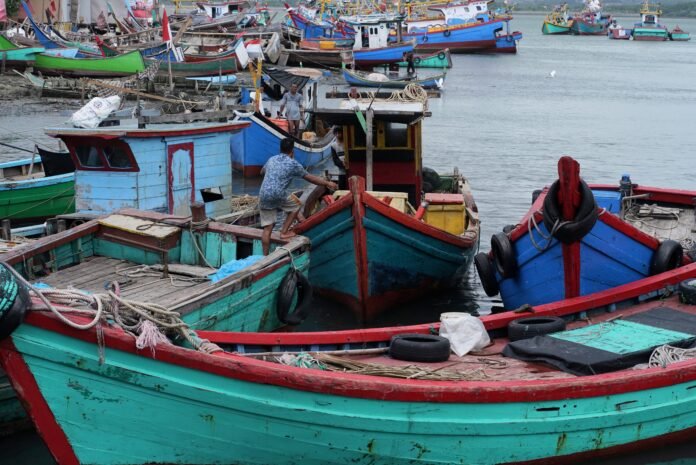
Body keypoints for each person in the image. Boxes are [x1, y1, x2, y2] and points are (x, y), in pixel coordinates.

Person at [260, 137, 338, 255]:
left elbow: (262, 172)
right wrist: (327, 183)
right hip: (278, 194)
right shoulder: (293, 164)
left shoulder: (272, 159)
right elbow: (311, 178)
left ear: (280, 149)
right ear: (292, 151)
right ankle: (284, 232)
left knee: (268, 228)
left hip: (263, 194)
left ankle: (265, 256)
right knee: (296, 206)